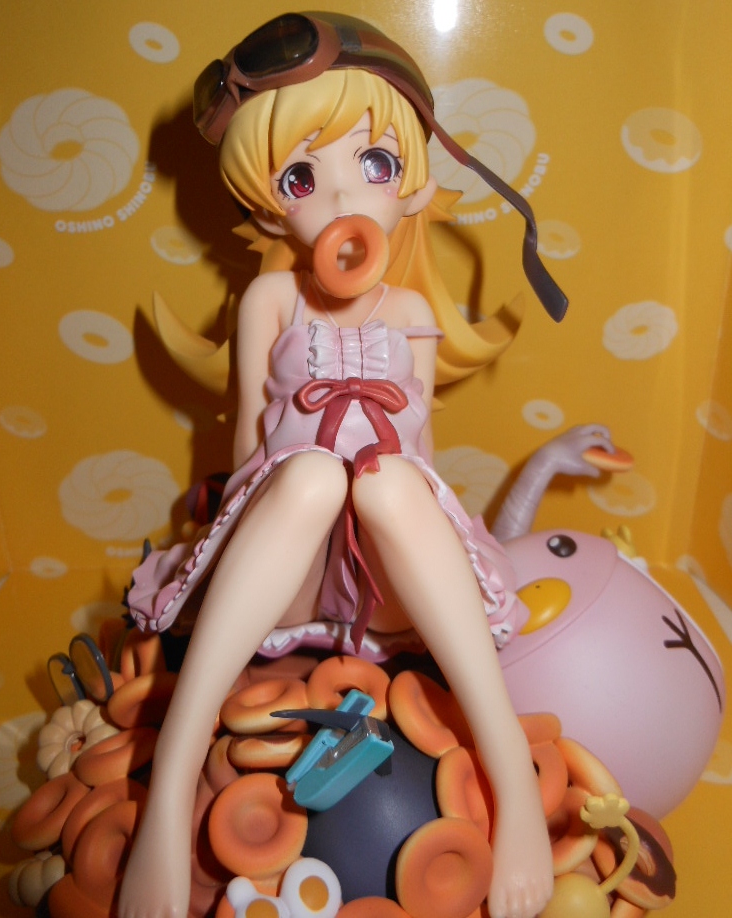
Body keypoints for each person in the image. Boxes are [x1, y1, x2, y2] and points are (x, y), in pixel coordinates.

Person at [119, 13, 565, 918]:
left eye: (374, 164)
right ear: (269, 205)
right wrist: (306, 474)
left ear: (415, 183)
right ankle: (168, 787)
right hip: (288, 572)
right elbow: (247, 457)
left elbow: (423, 465)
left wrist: (390, 497)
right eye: (301, 178)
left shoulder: (410, 314)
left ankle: (511, 782)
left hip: (389, 589)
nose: (340, 200)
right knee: (314, 475)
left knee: (390, 479)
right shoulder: (270, 299)